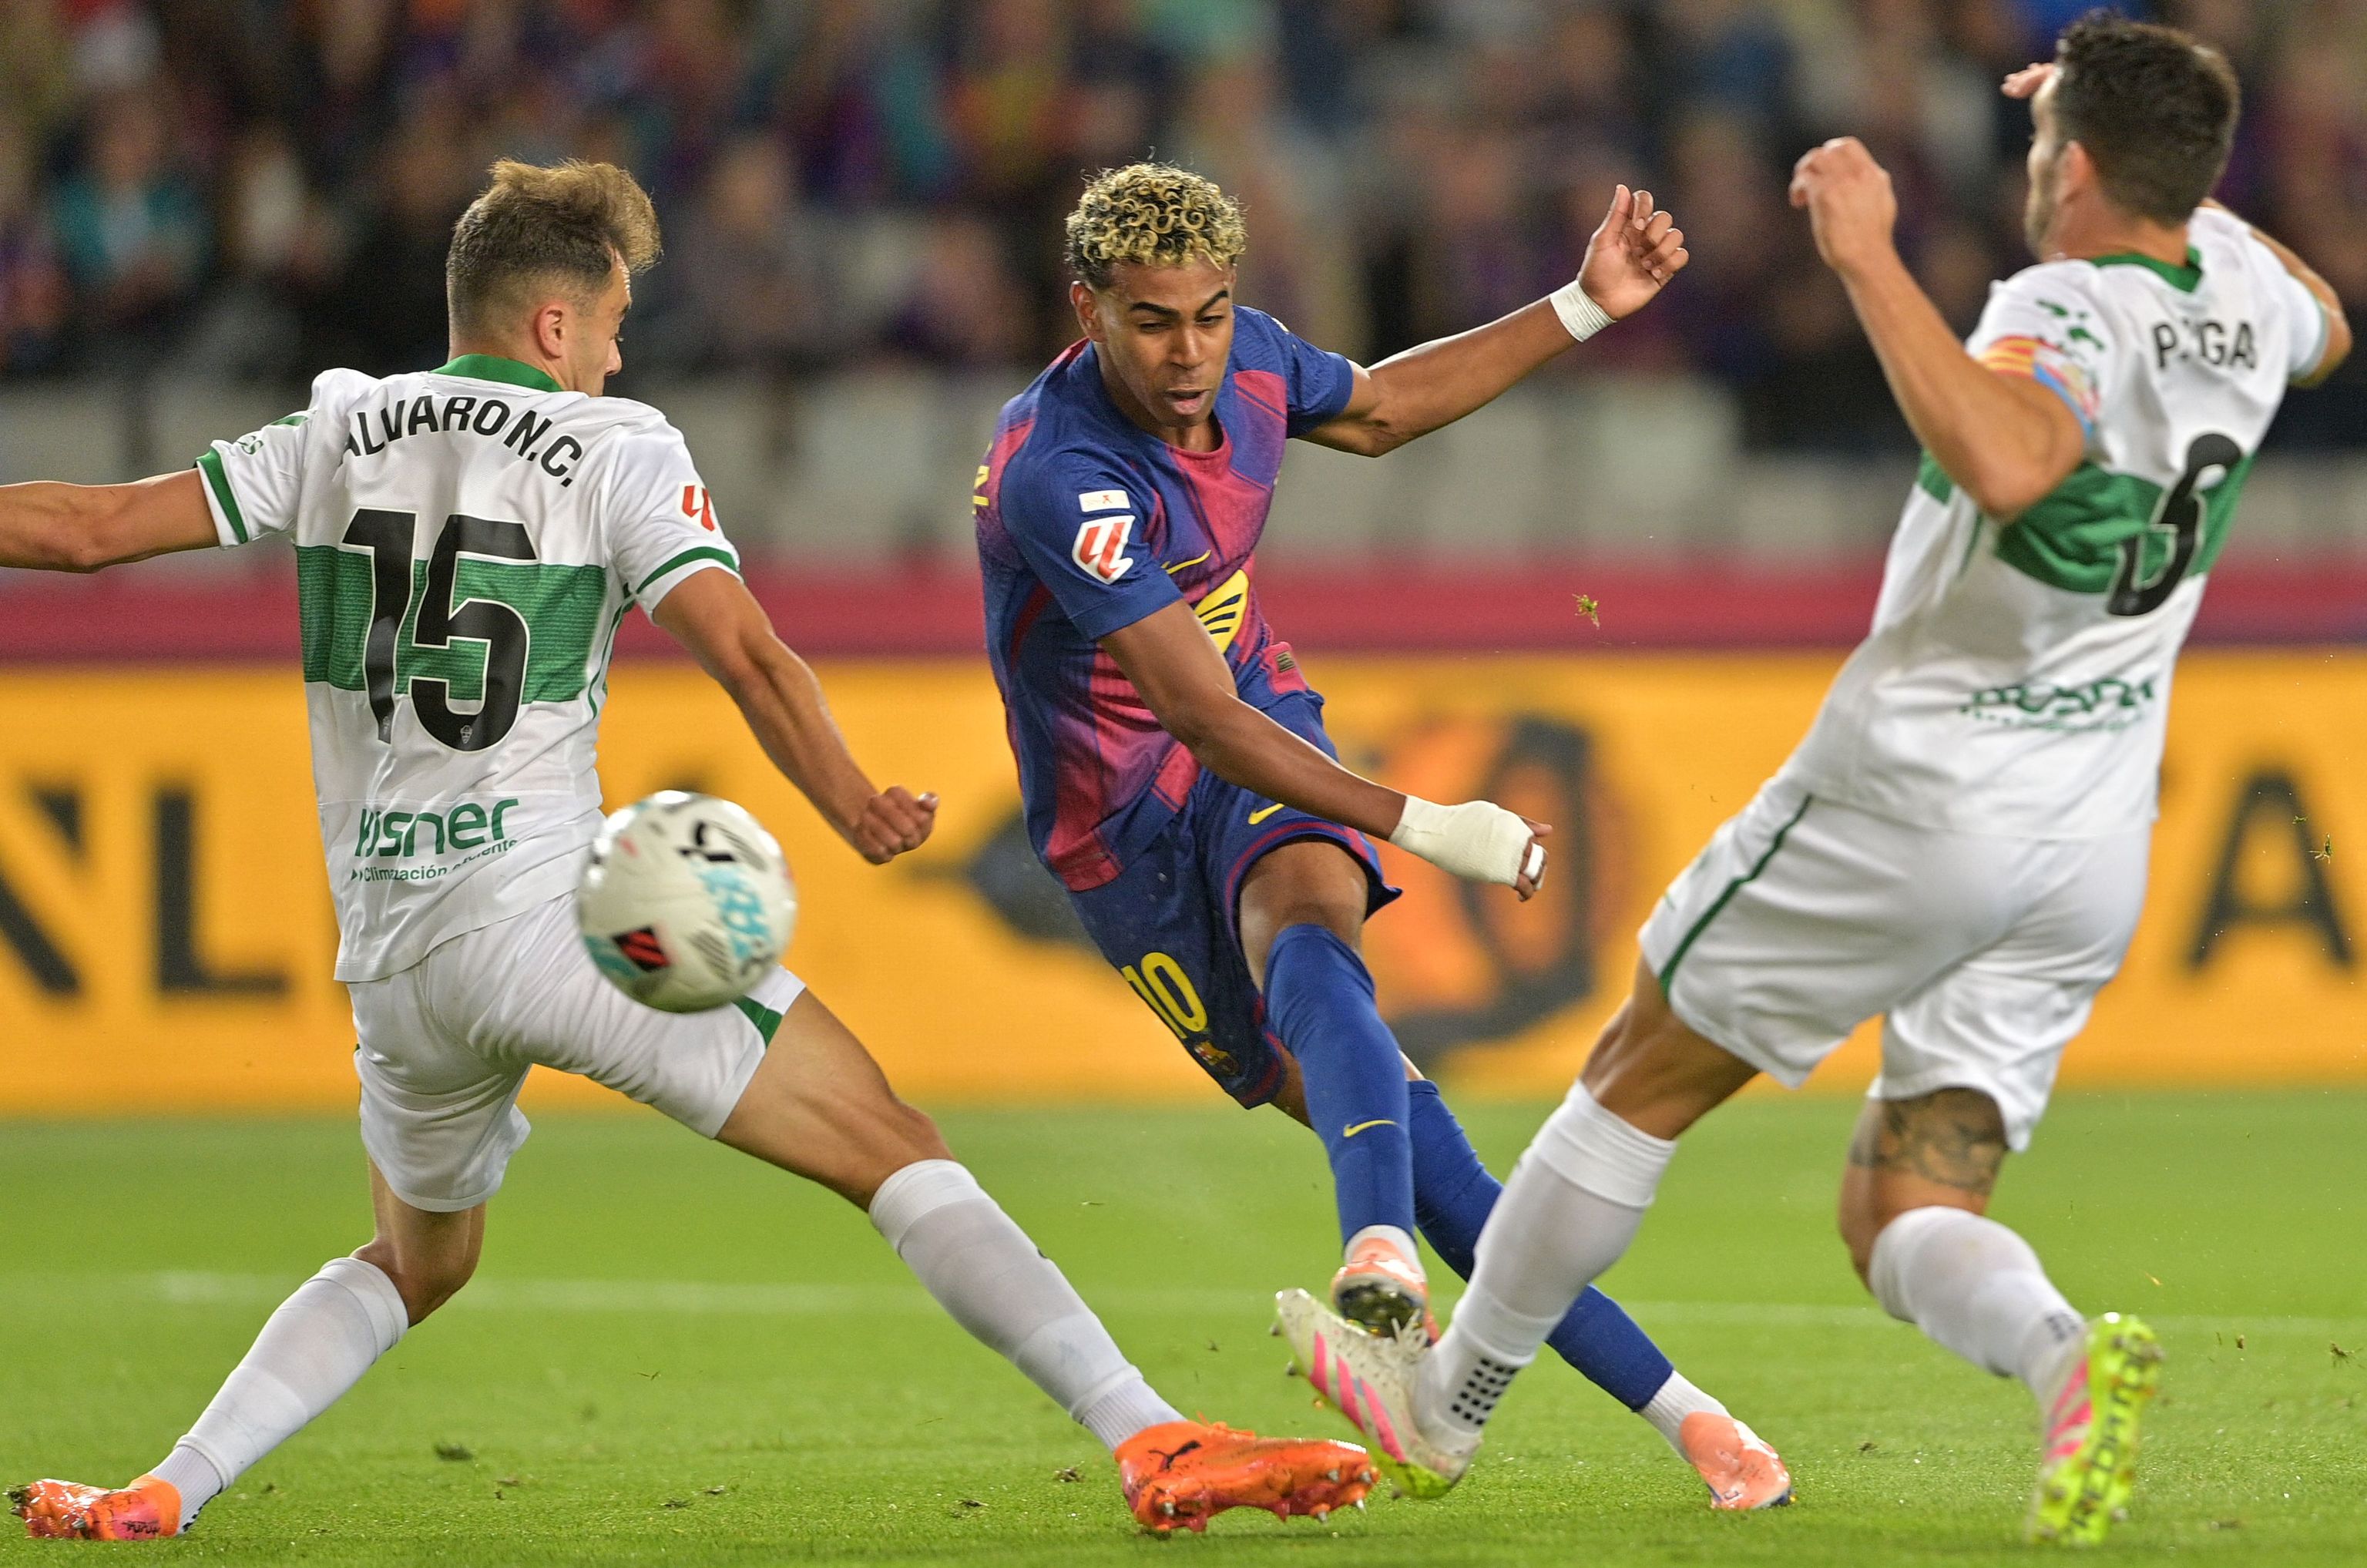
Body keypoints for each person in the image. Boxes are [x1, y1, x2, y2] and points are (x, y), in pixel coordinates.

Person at [2, 158, 1376, 1543]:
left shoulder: (339, 426)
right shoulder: (617, 446)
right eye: (608, 324)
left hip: (390, 959)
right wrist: (847, 798)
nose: (614, 353)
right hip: (548, 921)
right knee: (892, 1144)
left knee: (417, 1263)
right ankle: (1152, 1436)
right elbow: (747, 652)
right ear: (553, 327)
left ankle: (165, 1490)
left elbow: (91, 529)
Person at [1278, 15, 2352, 1544]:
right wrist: (2164, 168)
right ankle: (2061, 1357)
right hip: (2092, 831)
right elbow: (2329, 322)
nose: (2033, 170)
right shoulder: (2243, 283)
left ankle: (1448, 1404)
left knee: (1639, 1070)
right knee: (1904, 1205)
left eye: (2052, 149)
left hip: (1920, 797)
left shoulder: (2068, 303)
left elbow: (2011, 458)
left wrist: (1866, 258)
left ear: (2081, 166)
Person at [973, 162, 1790, 1509]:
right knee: (1425, 1147)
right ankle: (1673, 1408)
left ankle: (1391, 1272)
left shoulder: (1250, 368)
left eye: (1214, 315)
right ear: (1088, 312)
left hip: (1258, 722)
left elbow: (1388, 409)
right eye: (1153, 322)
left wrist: (1583, 305)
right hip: (1123, 828)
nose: (1190, 354)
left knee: (1309, 925)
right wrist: (1429, 825)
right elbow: (1188, 711)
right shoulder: (1062, 473)